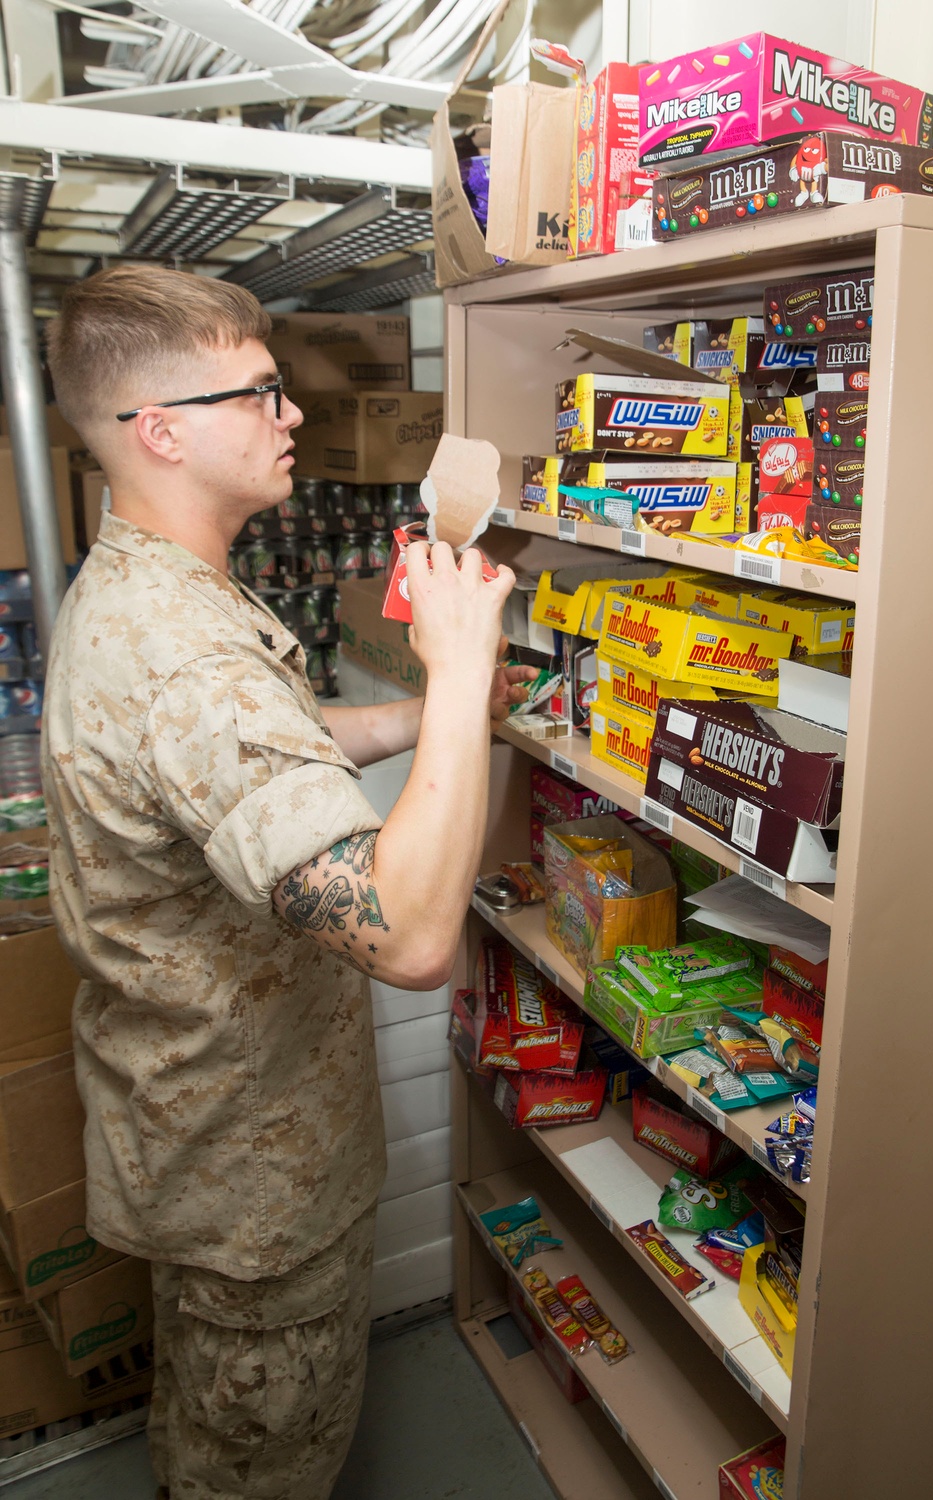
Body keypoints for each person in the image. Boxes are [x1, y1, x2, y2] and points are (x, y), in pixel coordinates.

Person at [40, 264, 533, 1500]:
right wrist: (463, 672)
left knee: (214, 1423)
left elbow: (260, 741)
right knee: (255, 1462)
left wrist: (412, 719)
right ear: (161, 430)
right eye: (261, 394)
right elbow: (411, 934)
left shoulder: (159, 586)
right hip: (248, 1174)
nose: (293, 414)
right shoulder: (181, 659)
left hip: (202, 1137)